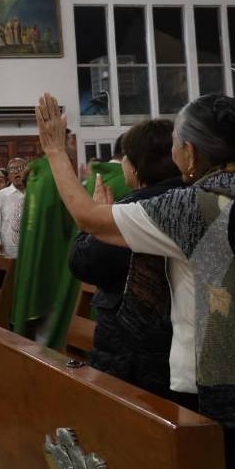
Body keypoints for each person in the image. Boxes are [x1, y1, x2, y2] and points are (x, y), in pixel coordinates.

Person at [37, 92, 235, 469]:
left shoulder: (191, 207)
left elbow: (87, 218)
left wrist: (56, 151)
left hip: (219, 398)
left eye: (176, 143)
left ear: (189, 152)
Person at [69, 119, 184, 398]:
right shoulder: (192, 198)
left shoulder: (135, 208)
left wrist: (99, 220)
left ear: (135, 166)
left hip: (136, 355)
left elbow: (85, 263)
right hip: (180, 345)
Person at [12, 133, 129, 345]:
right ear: (62, 143)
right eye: (72, 141)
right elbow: (72, 218)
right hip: (59, 257)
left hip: (42, 256)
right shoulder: (56, 175)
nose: (75, 145)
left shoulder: (39, 172)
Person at [0, 158, 27, 258]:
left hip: (32, 250)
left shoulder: (36, 194)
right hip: (9, 253)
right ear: (8, 176)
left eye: (20, 168)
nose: (16, 172)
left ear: (27, 172)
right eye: (12, 169)